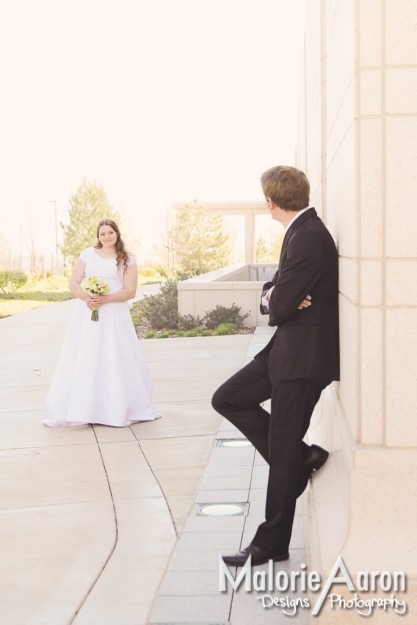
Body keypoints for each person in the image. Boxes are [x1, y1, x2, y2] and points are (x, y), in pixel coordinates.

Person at [212, 166, 339, 566]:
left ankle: (270, 543)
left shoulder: (310, 236)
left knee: (280, 449)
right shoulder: (300, 232)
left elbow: (279, 303)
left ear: (270, 200)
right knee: (229, 398)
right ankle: (301, 459)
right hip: (284, 351)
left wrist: (279, 298)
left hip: (303, 361)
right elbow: (276, 293)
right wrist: (278, 296)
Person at [44, 219, 158, 427]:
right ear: (98, 236)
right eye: (102, 233)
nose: (106, 236)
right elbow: (74, 283)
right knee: (86, 355)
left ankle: (115, 408)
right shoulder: (87, 254)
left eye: (110, 232)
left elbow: (130, 290)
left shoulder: (127, 259)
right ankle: (84, 408)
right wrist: (88, 298)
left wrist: (105, 299)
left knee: (113, 355)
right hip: (87, 312)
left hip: (114, 313)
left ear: (117, 234)